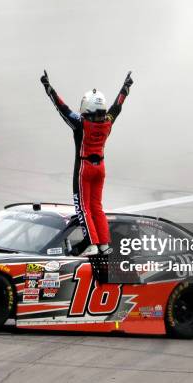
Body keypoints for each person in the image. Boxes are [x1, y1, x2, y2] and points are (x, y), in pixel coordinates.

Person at [40, 70, 133, 255]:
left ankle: (90, 244)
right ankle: (104, 244)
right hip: (101, 168)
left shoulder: (80, 123)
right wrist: (126, 87)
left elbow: (62, 109)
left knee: (83, 207)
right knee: (97, 206)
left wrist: (49, 89)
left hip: (84, 168)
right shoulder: (108, 121)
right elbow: (117, 106)